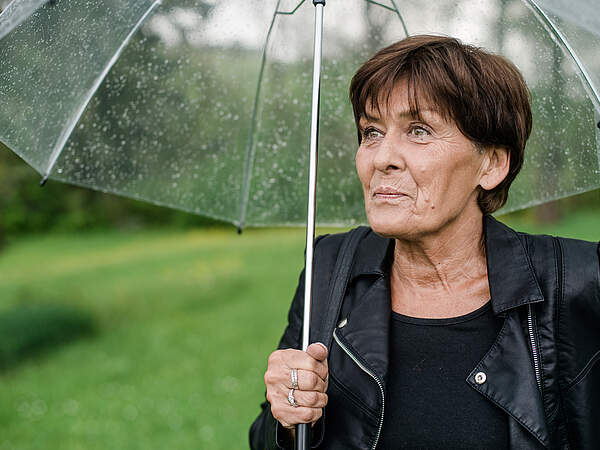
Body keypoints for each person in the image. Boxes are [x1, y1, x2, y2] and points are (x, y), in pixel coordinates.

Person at [249, 35, 600, 449]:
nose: (381, 158)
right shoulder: (331, 265)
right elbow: (265, 439)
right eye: (371, 132)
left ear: (492, 164)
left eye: (418, 131)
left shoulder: (577, 281)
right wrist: (287, 420)